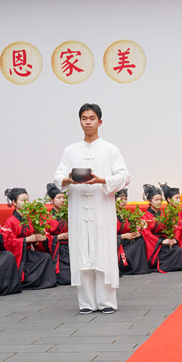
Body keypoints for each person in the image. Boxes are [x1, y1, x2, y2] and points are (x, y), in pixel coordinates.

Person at [52, 103, 131, 315]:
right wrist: (69, 179)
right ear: (80, 121)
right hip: (78, 208)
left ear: (100, 122)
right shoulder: (70, 150)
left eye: (92, 118)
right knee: (82, 251)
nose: (88, 121)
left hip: (101, 207)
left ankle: (106, 302)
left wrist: (101, 179)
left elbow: (125, 176)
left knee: (102, 250)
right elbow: (57, 177)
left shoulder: (110, 149)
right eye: (84, 118)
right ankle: (86, 302)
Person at [3, 188, 57, 290]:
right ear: (14, 202)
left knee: (45, 257)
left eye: (27, 200)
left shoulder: (31, 218)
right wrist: (26, 240)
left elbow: (41, 234)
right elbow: (8, 242)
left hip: (27, 252)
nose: (26, 203)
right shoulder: (10, 221)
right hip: (18, 254)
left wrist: (41, 238)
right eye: (23, 200)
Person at [115, 188, 151, 276]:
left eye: (125, 199)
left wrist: (137, 233)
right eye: (121, 199)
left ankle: (139, 268)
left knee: (139, 241)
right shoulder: (111, 215)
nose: (124, 201)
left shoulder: (127, 214)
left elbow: (133, 227)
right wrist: (122, 236)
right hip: (117, 242)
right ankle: (124, 266)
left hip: (126, 241)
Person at [41, 183, 71, 285]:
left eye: (63, 197)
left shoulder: (68, 215)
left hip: (70, 249)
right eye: (59, 197)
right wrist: (58, 237)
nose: (62, 200)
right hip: (57, 250)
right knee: (66, 279)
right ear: (51, 200)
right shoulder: (47, 217)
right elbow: (44, 237)